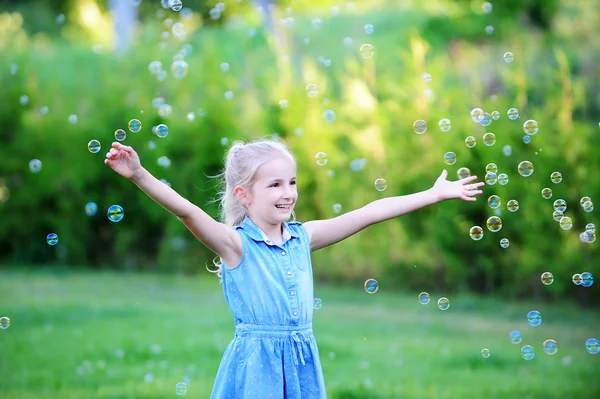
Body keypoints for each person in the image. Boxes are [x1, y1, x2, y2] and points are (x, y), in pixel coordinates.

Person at [104, 138, 484, 398]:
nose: (287, 193)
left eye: (291, 182)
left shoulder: (305, 237)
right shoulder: (235, 244)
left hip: (301, 363)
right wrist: (139, 174)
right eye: (274, 185)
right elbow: (186, 210)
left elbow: (368, 213)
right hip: (257, 368)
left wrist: (433, 194)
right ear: (244, 195)